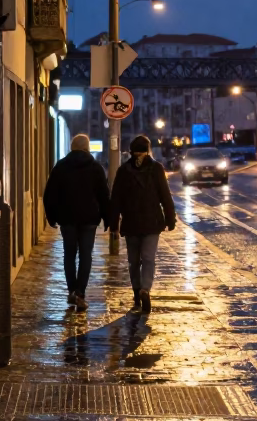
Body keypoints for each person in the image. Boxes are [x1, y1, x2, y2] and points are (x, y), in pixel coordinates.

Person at [43, 133, 111, 312]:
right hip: (89, 219)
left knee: (69, 254)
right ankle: (80, 292)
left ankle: (72, 289)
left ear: (72, 147)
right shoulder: (96, 168)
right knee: (86, 255)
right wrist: (107, 218)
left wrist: (51, 216)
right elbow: (104, 196)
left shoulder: (61, 166)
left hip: (67, 218)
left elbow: (50, 194)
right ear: (87, 147)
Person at [109, 135, 176, 313]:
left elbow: (116, 200)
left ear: (131, 151)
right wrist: (170, 219)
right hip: (152, 222)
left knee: (133, 261)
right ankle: (146, 288)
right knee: (148, 259)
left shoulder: (124, 170)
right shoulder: (156, 169)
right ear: (148, 150)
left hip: (131, 222)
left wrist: (114, 224)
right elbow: (165, 196)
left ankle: (137, 293)